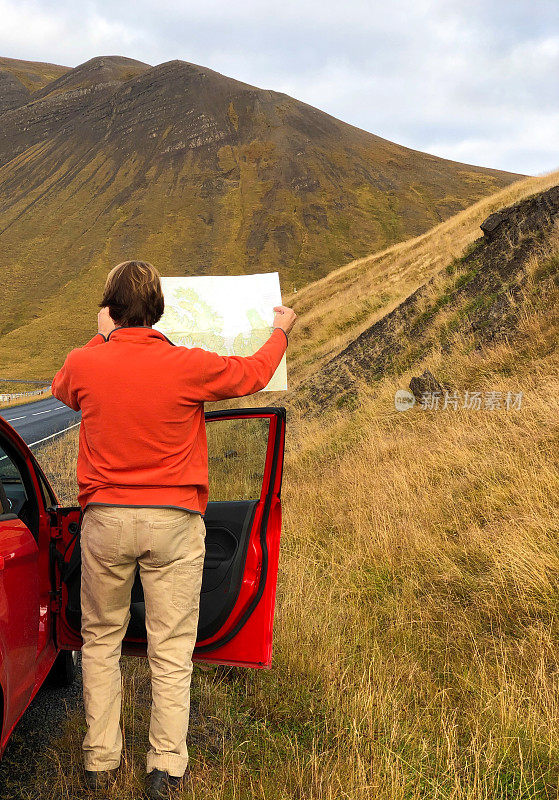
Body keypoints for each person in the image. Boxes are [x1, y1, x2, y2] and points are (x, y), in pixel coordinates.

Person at [50, 260, 296, 799]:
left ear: (111, 309)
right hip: (176, 524)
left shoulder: (84, 362)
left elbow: (62, 389)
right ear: (160, 309)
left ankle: (99, 761)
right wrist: (280, 330)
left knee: (100, 640)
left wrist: (100, 336)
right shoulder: (188, 366)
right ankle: (163, 767)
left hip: (106, 523)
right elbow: (253, 375)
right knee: (171, 647)